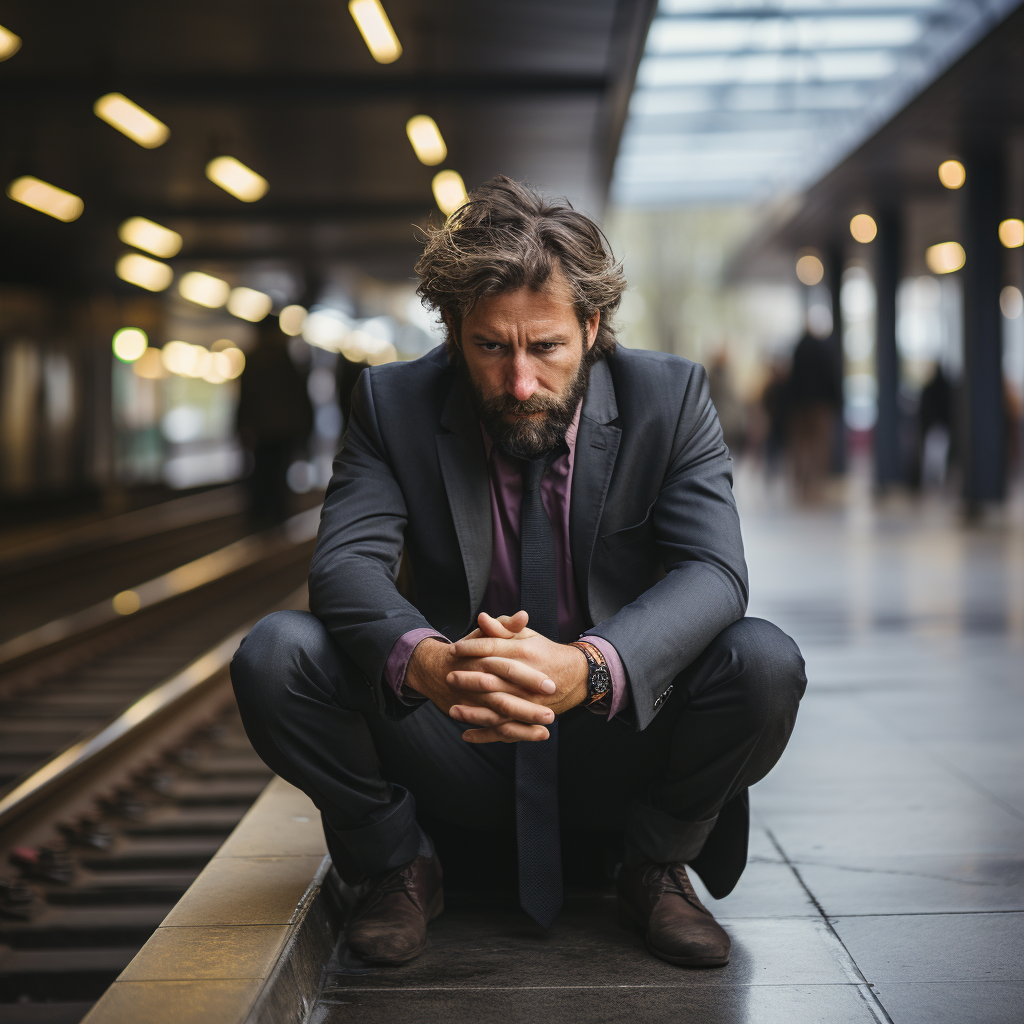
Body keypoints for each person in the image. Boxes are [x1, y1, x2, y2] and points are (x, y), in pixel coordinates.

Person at [230, 177, 805, 970]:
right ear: (454, 330)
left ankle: (656, 866)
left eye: (546, 347)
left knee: (765, 662)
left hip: (614, 740)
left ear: (593, 326)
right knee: (273, 655)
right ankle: (401, 863)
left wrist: (590, 669)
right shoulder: (391, 403)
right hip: (454, 737)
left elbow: (713, 571)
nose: (521, 381)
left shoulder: (669, 399)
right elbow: (343, 568)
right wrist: (437, 666)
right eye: (491, 347)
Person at [235, 320, 314, 527]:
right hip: (285, 429)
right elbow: (298, 395)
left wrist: (240, 426)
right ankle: (278, 516)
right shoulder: (286, 357)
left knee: (260, 471)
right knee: (279, 472)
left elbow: (245, 396)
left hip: (260, 429)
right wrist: (304, 428)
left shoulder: (253, 357)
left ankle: (259, 515)